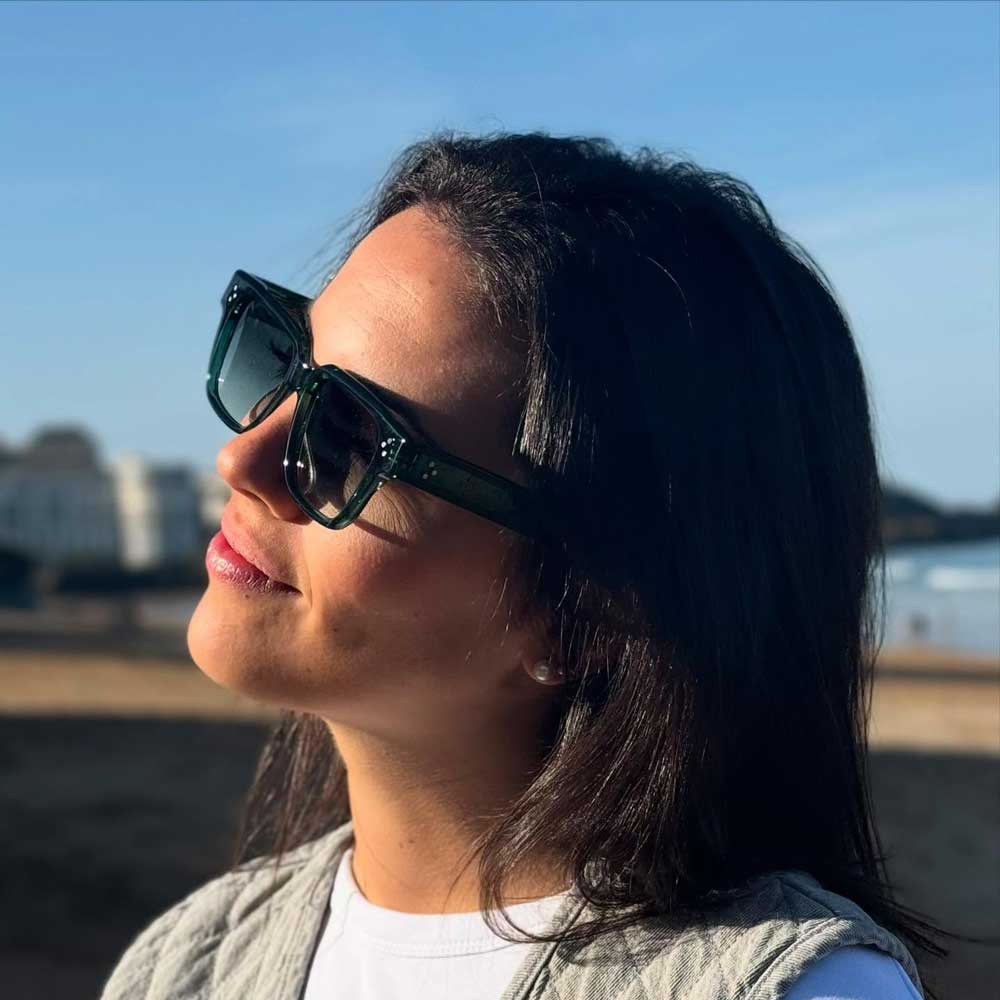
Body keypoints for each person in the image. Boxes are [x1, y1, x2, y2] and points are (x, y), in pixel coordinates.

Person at [99, 131, 952, 1000]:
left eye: (350, 437)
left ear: (590, 614)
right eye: (284, 362)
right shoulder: (188, 963)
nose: (241, 458)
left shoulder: (793, 988)